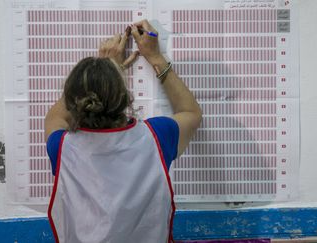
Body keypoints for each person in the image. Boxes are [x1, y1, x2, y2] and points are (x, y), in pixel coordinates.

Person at [44, 19, 202, 243]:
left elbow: (55, 117)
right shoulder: (155, 137)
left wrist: (102, 70)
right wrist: (155, 57)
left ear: (74, 100)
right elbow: (191, 112)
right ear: (124, 97)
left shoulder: (62, 148)